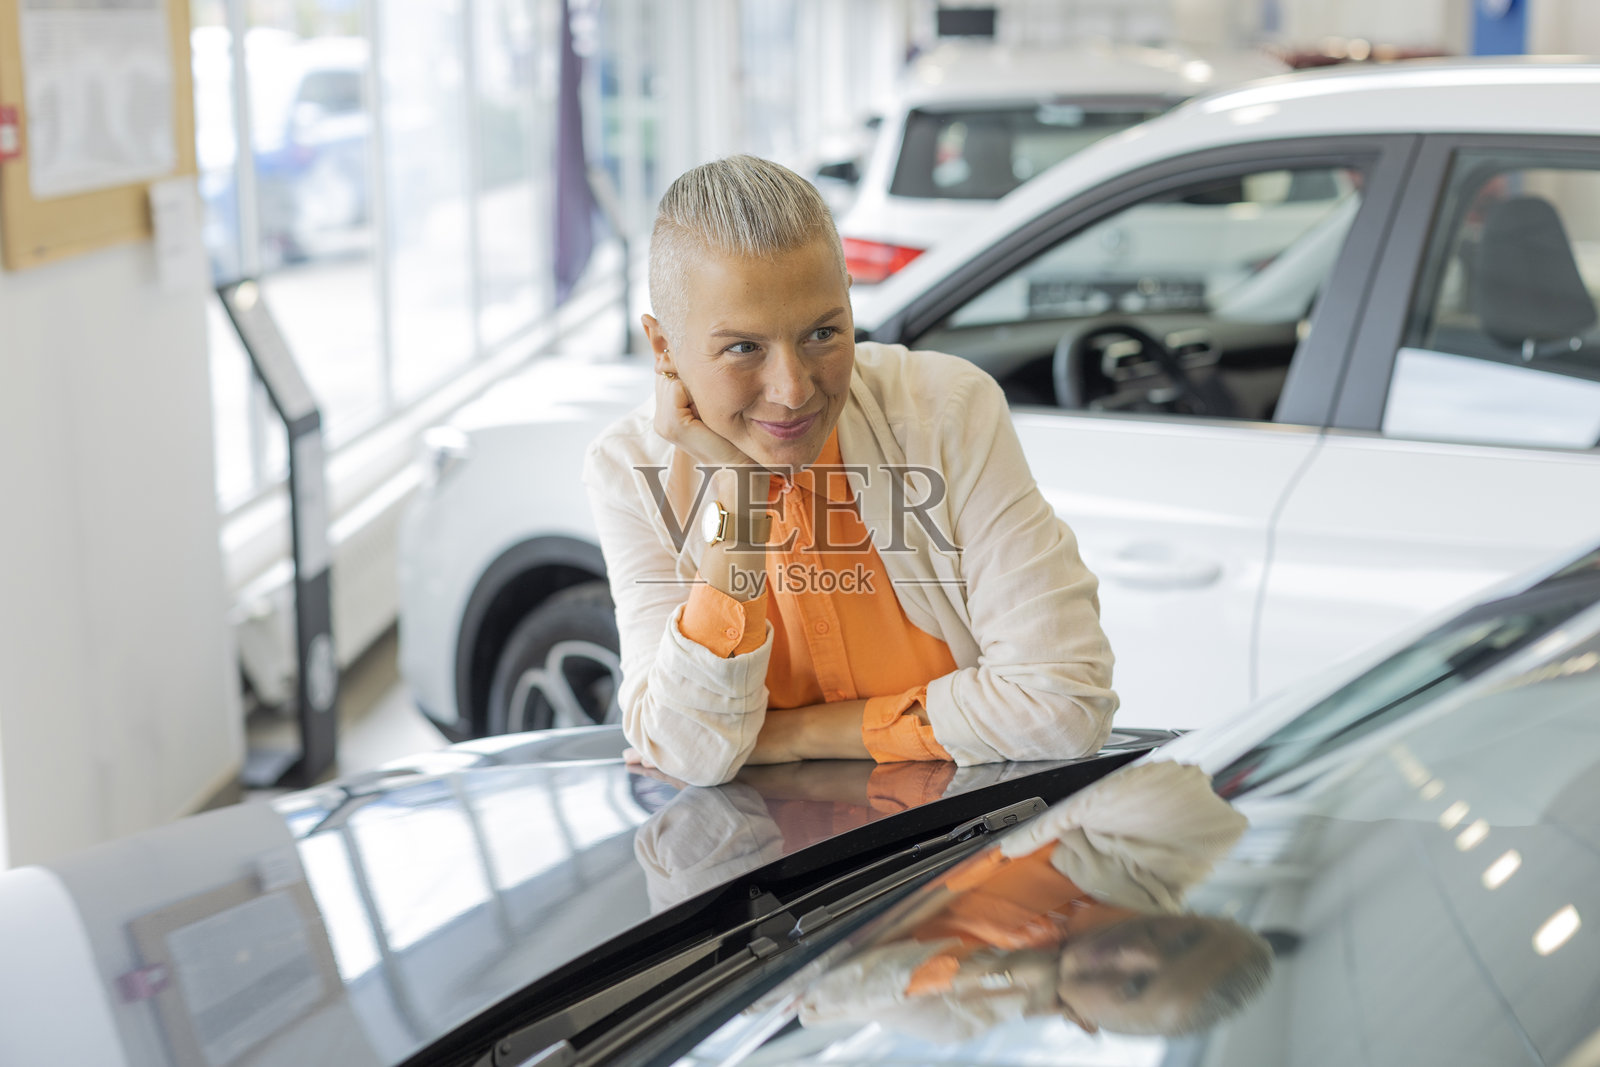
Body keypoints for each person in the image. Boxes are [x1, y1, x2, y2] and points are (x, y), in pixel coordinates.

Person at [582, 154, 1116, 788]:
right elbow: (686, 752)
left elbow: (1064, 706)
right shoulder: (628, 470)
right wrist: (742, 505)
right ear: (664, 347)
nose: (793, 389)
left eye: (822, 334)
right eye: (743, 348)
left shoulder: (945, 412)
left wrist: (798, 734)